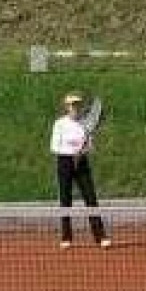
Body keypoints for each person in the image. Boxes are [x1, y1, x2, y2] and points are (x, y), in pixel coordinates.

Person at [49, 92, 110, 249]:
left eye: (77, 104)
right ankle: (66, 238)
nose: (75, 107)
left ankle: (100, 237)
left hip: (82, 163)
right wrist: (72, 152)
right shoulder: (59, 124)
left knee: (91, 199)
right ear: (67, 107)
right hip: (64, 162)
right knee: (65, 200)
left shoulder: (85, 123)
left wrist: (83, 151)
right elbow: (54, 147)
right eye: (72, 105)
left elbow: (90, 146)